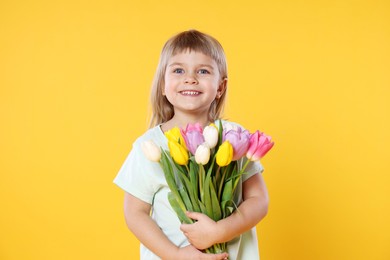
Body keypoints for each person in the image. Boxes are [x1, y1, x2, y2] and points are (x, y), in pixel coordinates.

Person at [114, 29, 269, 260]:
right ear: (163, 86)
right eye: (178, 70)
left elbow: (259, 200)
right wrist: (175, 254)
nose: (190, 78)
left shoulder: (234, 138)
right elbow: (135, 214)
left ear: (220, 87)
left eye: (203, 71)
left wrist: (219, 232)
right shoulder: (149, 146)